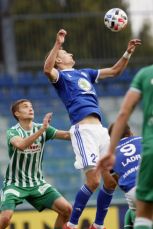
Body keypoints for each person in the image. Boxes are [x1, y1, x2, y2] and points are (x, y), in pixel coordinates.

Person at [43, 28, 141, 229]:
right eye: (65, 53)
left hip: (100, 130)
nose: (71, 53)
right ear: (59, 60)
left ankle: (98, 225)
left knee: (111, 180)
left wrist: (128, 52)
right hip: (83, 130)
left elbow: (114, 71)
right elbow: (46, 69)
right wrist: (58, 45)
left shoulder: (85, 73)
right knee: (94, 181)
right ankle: (71, 225)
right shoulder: (61, 78)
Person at [0, 99, 72, 229]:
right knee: (5, 219)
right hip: (14, 184)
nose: (30, 109)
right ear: (17, 114)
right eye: (25, 107)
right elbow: (21, 145)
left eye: (31, 106)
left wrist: (88, 131)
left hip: (37, 183)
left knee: (67, 209)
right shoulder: (13, 131)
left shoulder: (41, 128)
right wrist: (42, 130)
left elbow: (67, 135)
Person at [97, 65, 153, 229]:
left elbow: (112, 184)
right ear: (132, 132)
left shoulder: (144, 73)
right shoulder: (141, 140)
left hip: (134, 191)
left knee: (136, 215)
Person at [107, 123, 142, 229]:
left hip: (132, 192)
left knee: (132, 214)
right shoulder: (142, 139)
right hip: (148, 183)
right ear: (130, 131)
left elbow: (114, 181)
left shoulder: (110, 155)